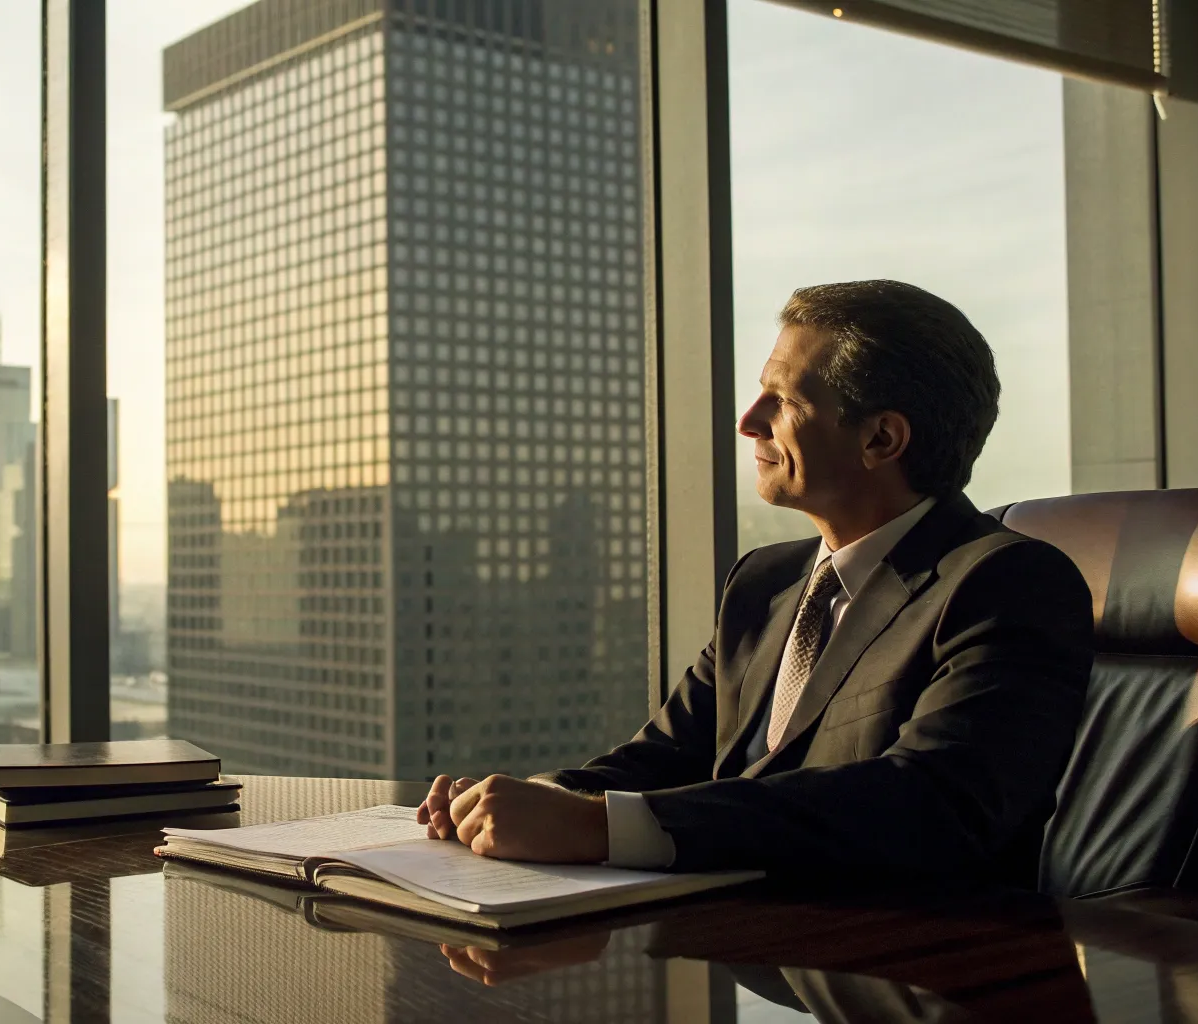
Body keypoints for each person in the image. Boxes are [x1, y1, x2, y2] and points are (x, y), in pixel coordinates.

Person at [417, 280, 1093, 884]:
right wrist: (525, 800)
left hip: (903, 971)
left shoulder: (1005, 583)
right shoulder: (763, 582)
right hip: (735, 948)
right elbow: (659, 760)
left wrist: (596, 829)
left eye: (784, 400)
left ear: (882, 440)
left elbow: (932, 804)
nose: (748, 422)